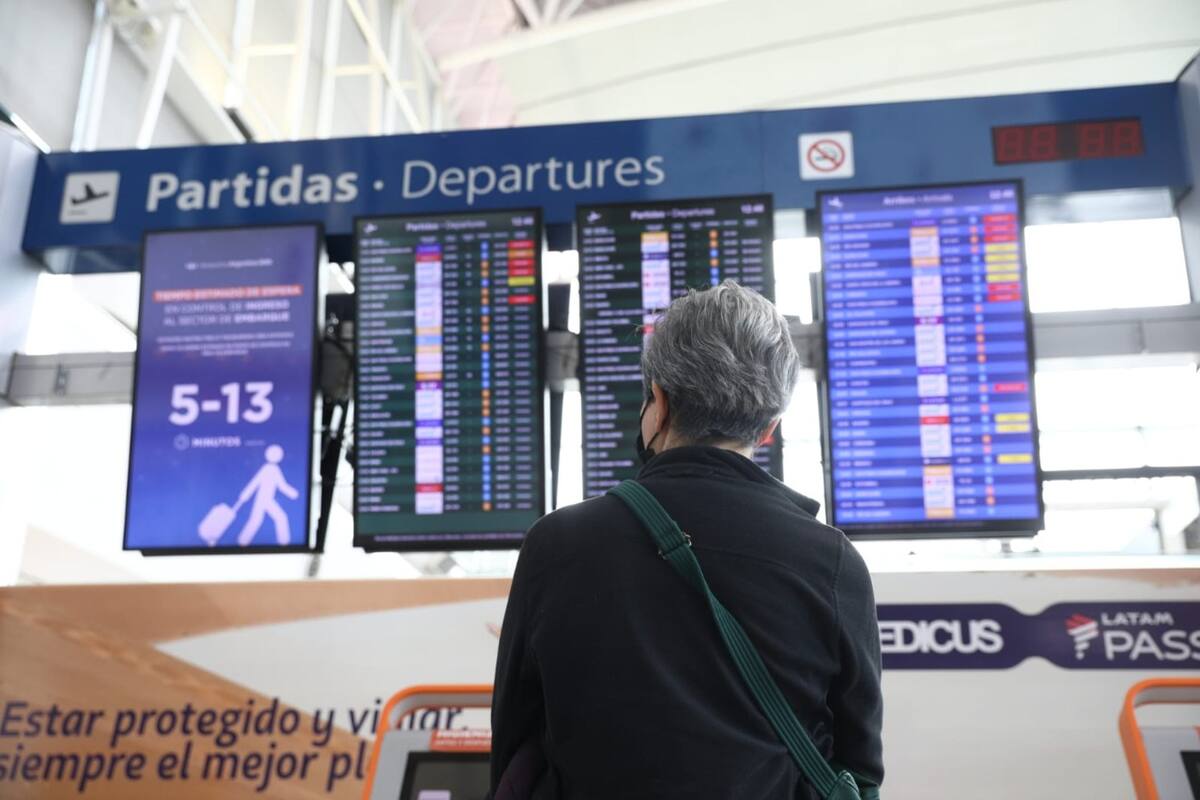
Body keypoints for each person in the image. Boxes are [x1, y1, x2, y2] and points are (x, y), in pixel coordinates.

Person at [491, 280, 883, 799]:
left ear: (659, 399)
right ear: (769, 429)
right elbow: (858, 765)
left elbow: (516, 742)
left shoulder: (556, 545)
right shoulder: (831, 562)